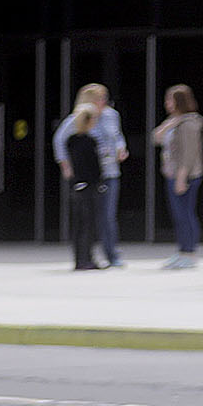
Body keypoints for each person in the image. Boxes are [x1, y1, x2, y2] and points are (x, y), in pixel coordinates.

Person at [49, 83, 127, 268]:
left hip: (109, 172)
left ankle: (112, 254)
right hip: (88, 175)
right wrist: (66, 166)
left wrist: (121, 149)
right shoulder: (79, 118)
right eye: (99, 99)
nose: (103, 103)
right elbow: (60, 141)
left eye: (105, 99)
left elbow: (117, 137)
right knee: (87, 217)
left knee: (107, 216)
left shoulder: (111, 116)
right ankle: (86, 256)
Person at [152, 85, 203, 270]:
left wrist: (181, 178)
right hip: (172, 174)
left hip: (186, 176)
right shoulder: (175, 122)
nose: (167, 103)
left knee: (186, 214)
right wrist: (169, 123)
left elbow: (189, 154)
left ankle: (189, 253)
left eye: (170, 100)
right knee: (178, 215)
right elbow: (156, 138)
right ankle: (182, 250)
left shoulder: (190, 124)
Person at [58, 103, 105, 271]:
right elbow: (94, 166)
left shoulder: (71, 141)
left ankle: (80, 259)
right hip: (90, 185)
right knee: (88, 224)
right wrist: (100, 181)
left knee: (79, 224)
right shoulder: (90, 141)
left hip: (76, 185)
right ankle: (87, 259)